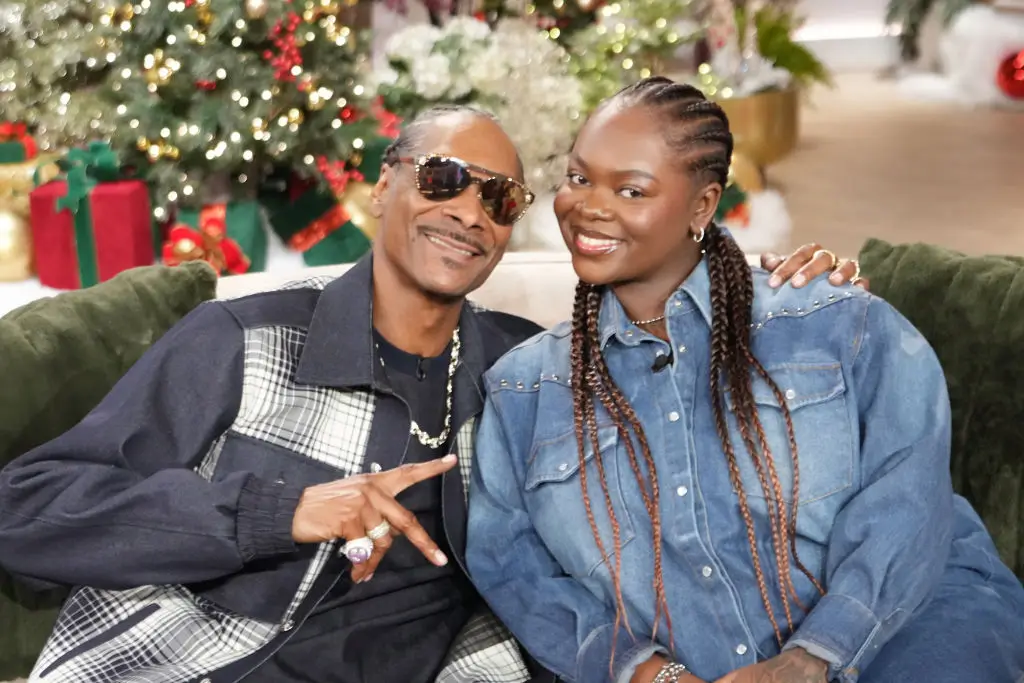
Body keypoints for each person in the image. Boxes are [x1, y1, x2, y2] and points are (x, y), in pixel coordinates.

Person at [0, 104, 853, 683]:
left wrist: (788, 299)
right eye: (444, 178)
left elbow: (686, 407)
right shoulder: (245, 339)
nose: (471, 213)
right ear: (384, 186)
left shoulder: (527, 369)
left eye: (499, 198)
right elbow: (26, 506)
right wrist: (280, 511)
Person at [465, 76, 1024, 683]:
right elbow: (514, 569)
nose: (589, 206)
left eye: (631, 189)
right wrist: (649, 673)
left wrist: (812, 657)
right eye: (578, 178)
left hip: (908, 627)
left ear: (702, 205)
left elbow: (908, 501)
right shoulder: (524, 392)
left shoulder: (833, 321)